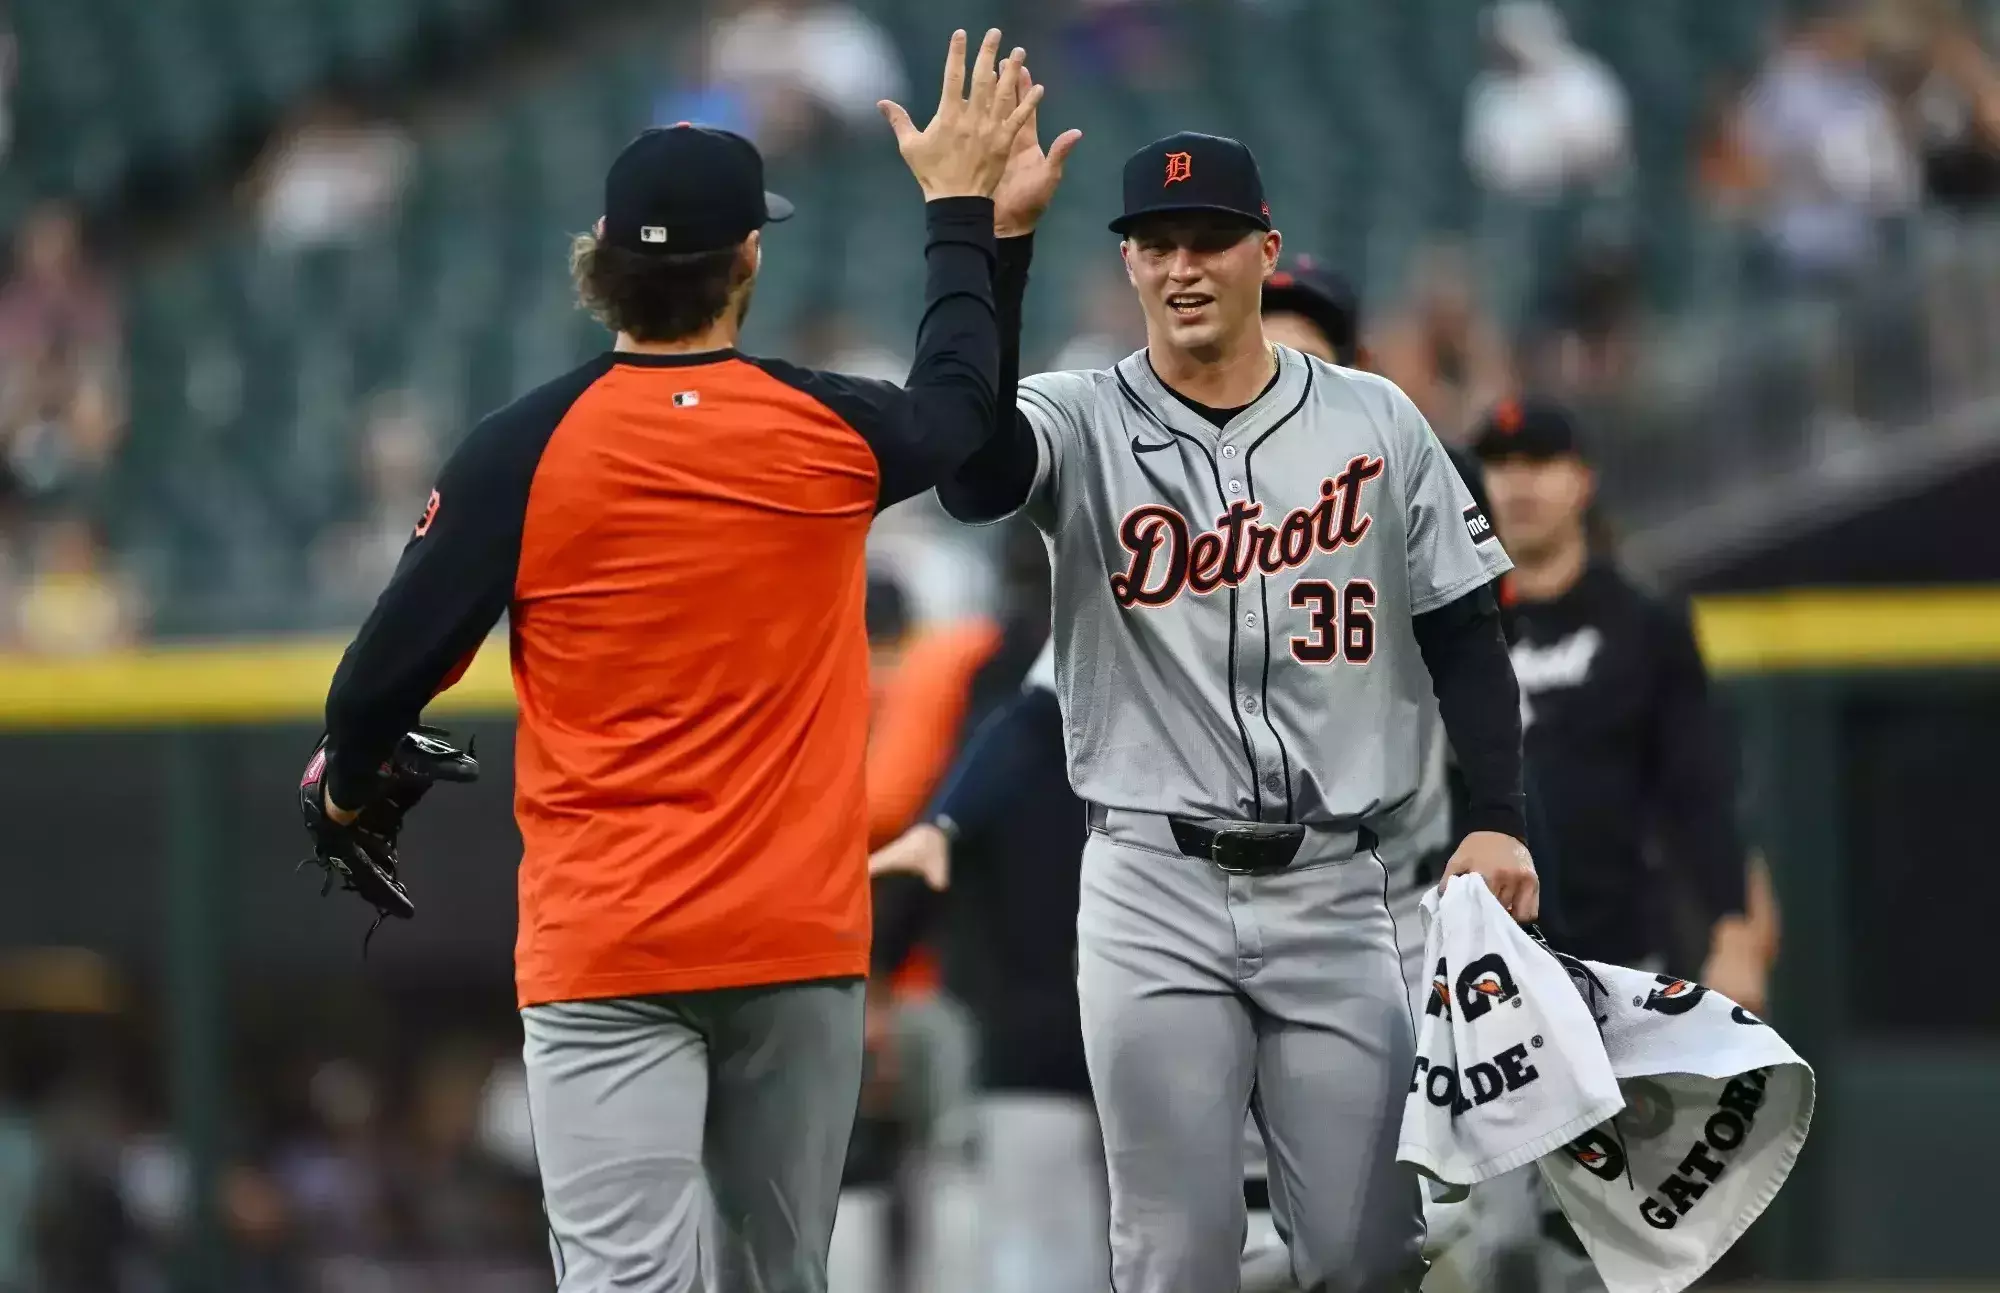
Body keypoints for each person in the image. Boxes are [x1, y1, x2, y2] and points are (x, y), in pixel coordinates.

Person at [308, 30, 1044, 1292]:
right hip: (797, 942)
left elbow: (375, 684)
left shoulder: (518, 454)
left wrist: (346, 777)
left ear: (599, 265)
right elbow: (962, 414)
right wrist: (965, 219)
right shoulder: (828, 429)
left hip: (607, 948)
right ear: (748, 257)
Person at [932, 128, 1536, 1293]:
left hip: (1333, 883)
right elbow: (971, 474)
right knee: (1177, 1254)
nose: (1179, 266)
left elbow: (1463, 630)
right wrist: (992, 248)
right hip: (1151, 883)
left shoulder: (1374, 420)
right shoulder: (1079, 415)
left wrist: (1499, 810)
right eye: (1152, 244)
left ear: (1265, 249)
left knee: (1370, 1253)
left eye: (1205, 238)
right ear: (1126, 267)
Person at [1463, 396, 1771, 1293]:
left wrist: (1730, 924)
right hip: (1483, 983)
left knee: (1606, 1241)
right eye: (1500, 463)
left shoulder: (1643, 621)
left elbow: (1699, 793)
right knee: (1498, 1245)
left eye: (1540, 461)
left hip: (1615, 969)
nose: (1517, 483)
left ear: (1582, 479)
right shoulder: (1454, 622)